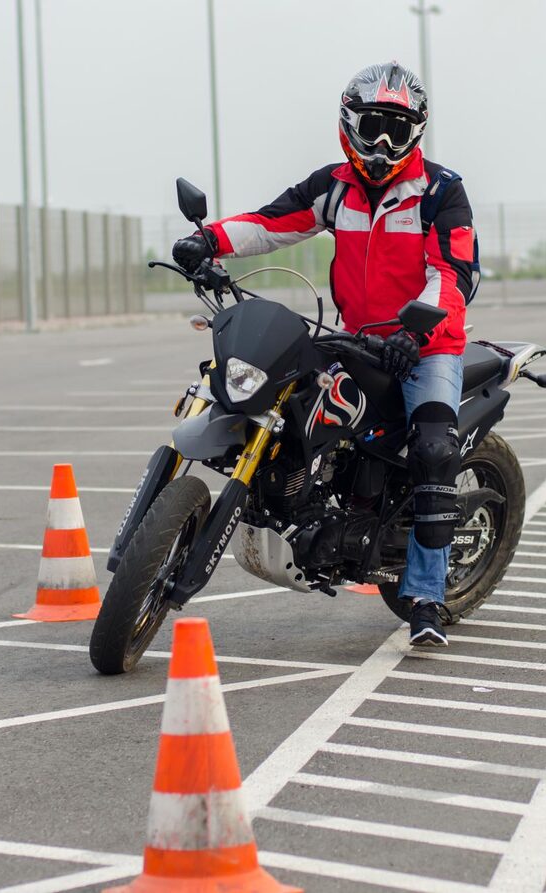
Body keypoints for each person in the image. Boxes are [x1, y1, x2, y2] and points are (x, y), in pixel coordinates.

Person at [172, 62, 476, 647]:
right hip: (356, 337)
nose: (383, 140)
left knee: (434, 449)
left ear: (415, 131)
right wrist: (208, 240)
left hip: (425, 346)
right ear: (349, 122)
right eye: (373, 124)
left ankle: (426, 598)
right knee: (286, 401)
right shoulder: (334, 187)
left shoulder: (441, 192)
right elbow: (270, 223)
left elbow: (455, 273)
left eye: (396, 128)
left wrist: (415, 334)